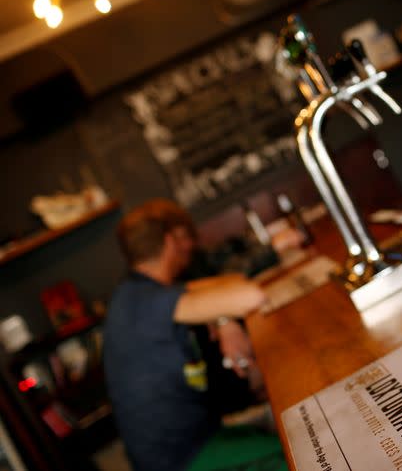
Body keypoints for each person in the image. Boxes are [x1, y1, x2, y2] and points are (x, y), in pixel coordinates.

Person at [103, 199, 295, 471]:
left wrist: (224, 319)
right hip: (181, 458)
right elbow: (251, 295)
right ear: (171, 241)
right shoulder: (145, 300)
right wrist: (225, 315)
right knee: (299, 451)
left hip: (195, 438)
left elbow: (228, 282)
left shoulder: (137, 291)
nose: (191, 247)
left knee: (286, 434)